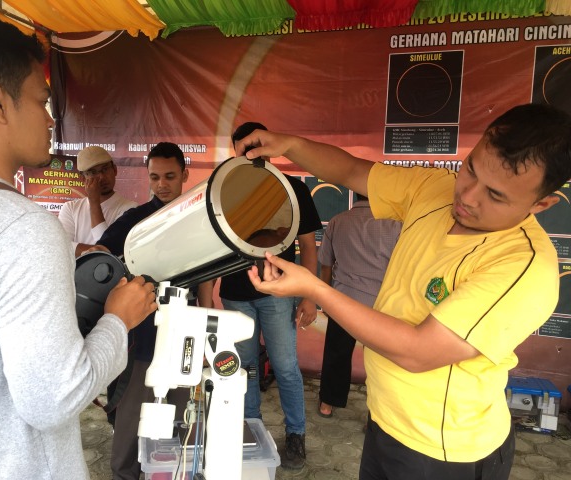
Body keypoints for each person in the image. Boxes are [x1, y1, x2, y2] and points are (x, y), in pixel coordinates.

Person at [237, 103, 571, 480]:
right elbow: (351, 171)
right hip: (386, 421)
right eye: (471, 169)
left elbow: (416, 351)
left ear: (542, 204)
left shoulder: (523, 267)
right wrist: (289, 144)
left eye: (495, 195)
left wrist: (314, 288)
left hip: (445, 450)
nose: (468, 196)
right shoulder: (436, 189)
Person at [0, 15, 157, 480]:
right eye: (41, 100)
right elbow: (54, 398)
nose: (51, 119)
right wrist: (119, 318)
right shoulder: (21, 227)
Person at [92, 142, 214, 480]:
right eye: (155, 177)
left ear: (185, 175)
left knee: (178, 419)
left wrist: (206, 333)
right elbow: (101, 255)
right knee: (131, 419)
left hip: (184, 333)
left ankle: (168, 473)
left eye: (170, 176)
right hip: (140, 337)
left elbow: (206, 284)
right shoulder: (134, 221)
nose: (162, 184)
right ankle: (125, 475)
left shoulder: (199, 220)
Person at [219, 122, 322, 470]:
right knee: (244, 369)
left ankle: (296, 436)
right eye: (242, 149)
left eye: (255, 147)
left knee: (286, 368)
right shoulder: (224, 190)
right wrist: (207, 302)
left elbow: (308, 246)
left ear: (269, 147)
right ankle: (252, 429)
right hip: (235, 294)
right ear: (233, 151)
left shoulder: (292, 189)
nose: (249, 155)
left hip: (278, 292)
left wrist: (309, 296)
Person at [317, 195, 400, 418]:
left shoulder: (338, 221)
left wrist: (324, 298)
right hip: (380, 305)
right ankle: (377, 414)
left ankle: (327, 403)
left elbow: (326, 265)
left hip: (342, 301)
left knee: (336, 354)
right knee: (382, 362)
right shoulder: (395, 225)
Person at [58, 146, 137, 256]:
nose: (101, 177)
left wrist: (94, 203)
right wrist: (99, 250)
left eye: (105, 169)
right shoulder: (70, 208)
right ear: (83, 179)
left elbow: (108, 250)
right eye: (92, 172)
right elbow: (61, 247)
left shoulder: (131, 209)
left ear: (114, 170)